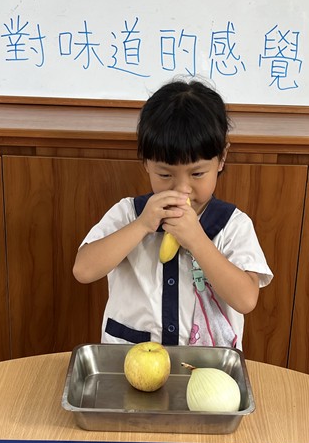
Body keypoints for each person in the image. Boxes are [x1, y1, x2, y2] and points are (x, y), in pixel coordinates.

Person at [73, 78, 272, 348]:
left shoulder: (233, 225)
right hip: (130, 358)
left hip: (206, 365)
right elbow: (83, 270)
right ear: (146, 162)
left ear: (222, 158)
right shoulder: (129, 214)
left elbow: (246, 300)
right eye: (165, 175)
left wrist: (198, 240)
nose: (182, 188)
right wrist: (142, 225)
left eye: (197, 173)